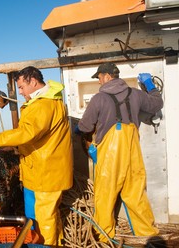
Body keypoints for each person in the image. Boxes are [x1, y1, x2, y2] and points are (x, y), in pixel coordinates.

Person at [0, 66, 73, 246]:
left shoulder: (43, 104)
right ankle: (52, 243)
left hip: (46, 173)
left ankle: (46, 246)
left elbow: (27, 133)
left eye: (21, 87)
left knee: (44, 220)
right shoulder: (49, 101)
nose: (20, 92)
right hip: (43, 171)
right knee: (47, 216)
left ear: (33, 82)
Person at [75, 62, 163, 242]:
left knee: (105, 194)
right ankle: (147, 234)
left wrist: (77, 130)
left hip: (110, 153)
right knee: (136, 192)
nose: (99, 82)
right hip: (133, 149)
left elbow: (85, 126)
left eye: (99, 78)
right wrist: (149, 85)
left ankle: (104, 236)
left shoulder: (99, 99)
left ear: (107, 76)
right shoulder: (136, 94)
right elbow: (156, 103)